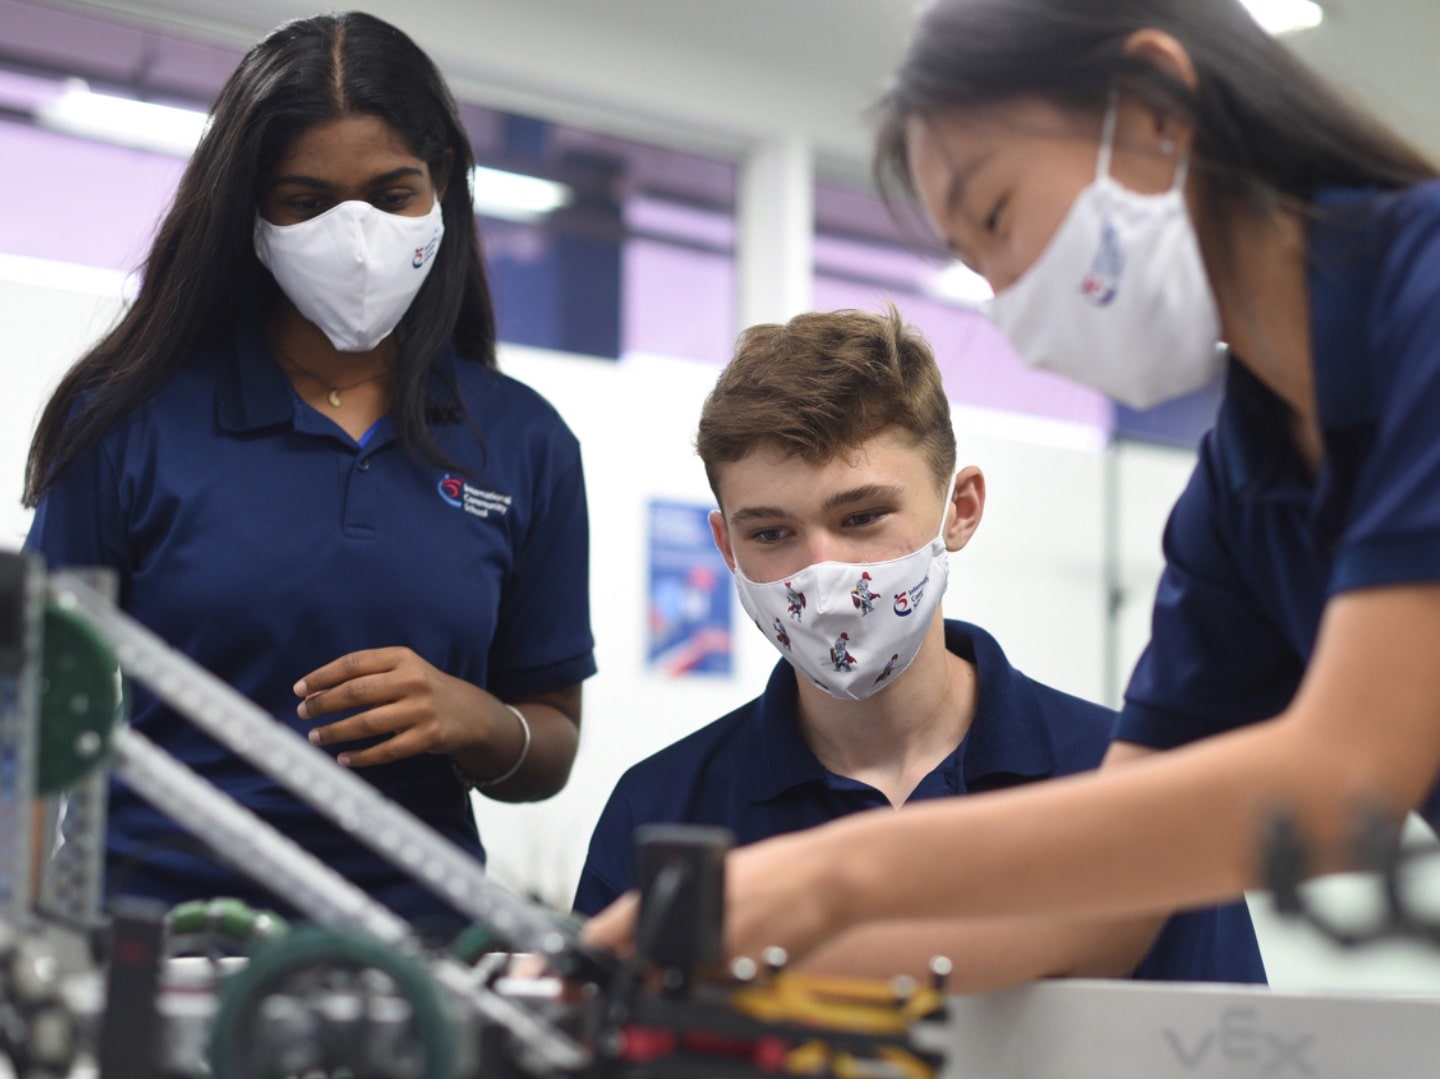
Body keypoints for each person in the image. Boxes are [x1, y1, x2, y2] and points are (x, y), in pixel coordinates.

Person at [586, 0, 1440, 969]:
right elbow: (1107, 901)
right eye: (975, 262)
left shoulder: (1425, 297)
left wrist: (843, 874)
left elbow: (1345, 783)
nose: (1010, 303)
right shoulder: (1247, 488)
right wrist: (667, 970)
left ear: (1158, 106)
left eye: (997, 217)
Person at [23, 12, 595, 932]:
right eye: (306, 202)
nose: (355, 236)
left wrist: (475, 719)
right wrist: (27, 943)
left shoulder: (523, 443)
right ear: (250, 208)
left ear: (441, 180)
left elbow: (548, 747)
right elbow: (37, 713)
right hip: (156, 946)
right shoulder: (129, 423)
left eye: (392, 193)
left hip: (420, 959)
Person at [575, 306, 1264, 988]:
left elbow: (1227, 1074)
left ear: (959, 509)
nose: (824, 575)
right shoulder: (663, 812)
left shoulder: (1122, 782)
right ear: (726, 546)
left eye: (863, 517)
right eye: (771, 534)